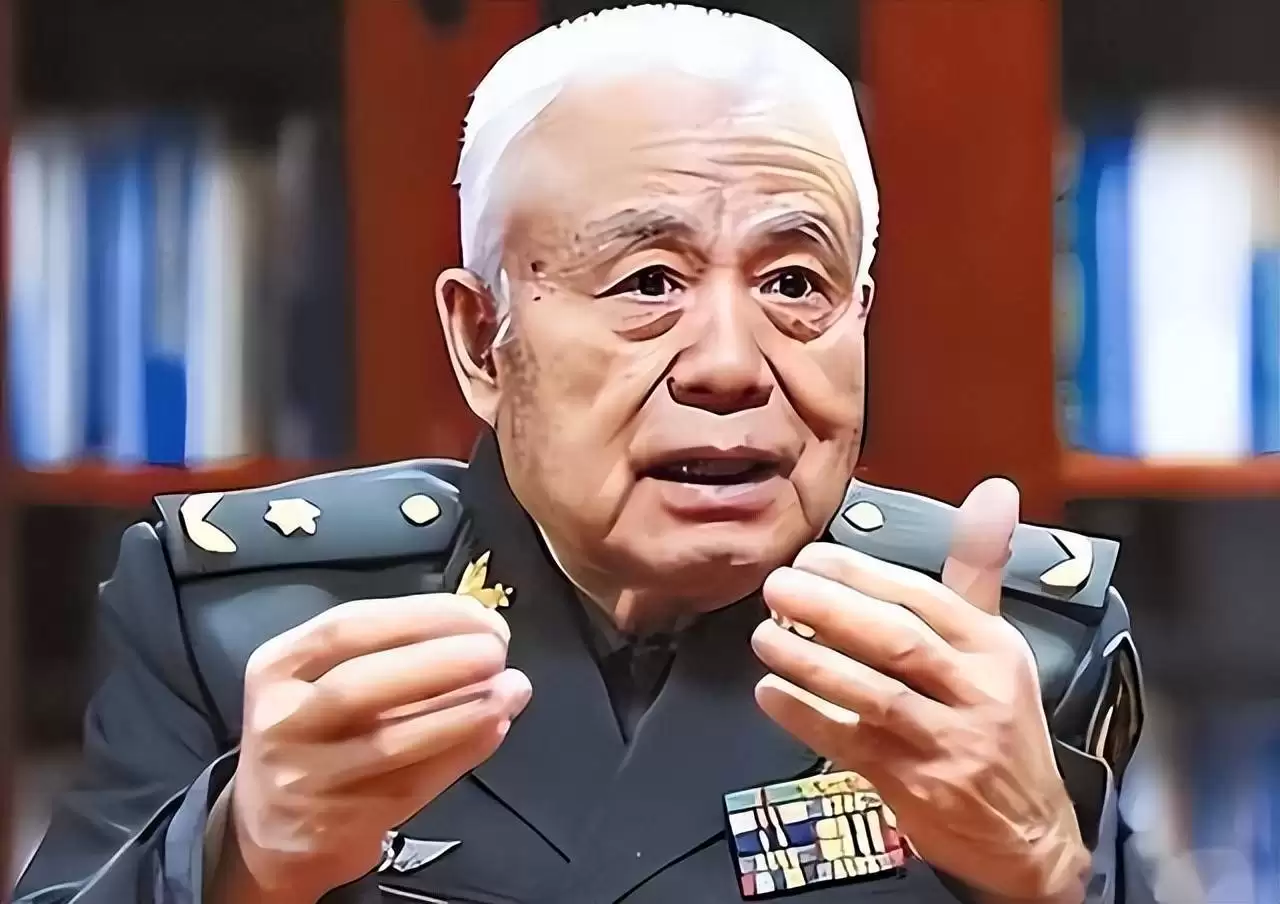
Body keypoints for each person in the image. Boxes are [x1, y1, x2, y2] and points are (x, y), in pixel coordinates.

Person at [15, 6, 1153, 903]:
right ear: (482, 340)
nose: (729, 364)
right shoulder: (244, 625)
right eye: (648, 281)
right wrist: (236, 861)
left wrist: (1049, 870)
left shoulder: (1011, 655)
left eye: (793, 283)